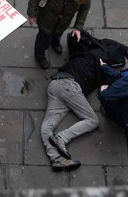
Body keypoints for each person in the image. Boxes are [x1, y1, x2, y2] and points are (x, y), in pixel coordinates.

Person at [40, 31, 105, 172]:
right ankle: (61, 138)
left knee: (47, 125)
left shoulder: (80, 53)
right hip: (69, 86)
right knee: (92, 120)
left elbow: (72, 37)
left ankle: (55, 158)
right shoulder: (98, 63)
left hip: (55, 85)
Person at [27, 0, 90, 69]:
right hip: (45, 22)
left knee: (57, 35)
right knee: (43, 40)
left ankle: (55, 43)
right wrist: (32, 14)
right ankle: (39, 56)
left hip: (62, 24)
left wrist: (78, 27)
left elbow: (84, 10)